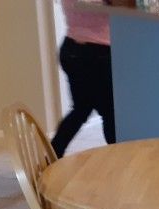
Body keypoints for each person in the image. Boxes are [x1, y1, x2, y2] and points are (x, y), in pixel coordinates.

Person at [51, 0, 115, 158]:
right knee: (110, 111)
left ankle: (51, 153)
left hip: (72, 48)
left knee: (82, 109)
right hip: (96, 53)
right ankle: (119, 157)